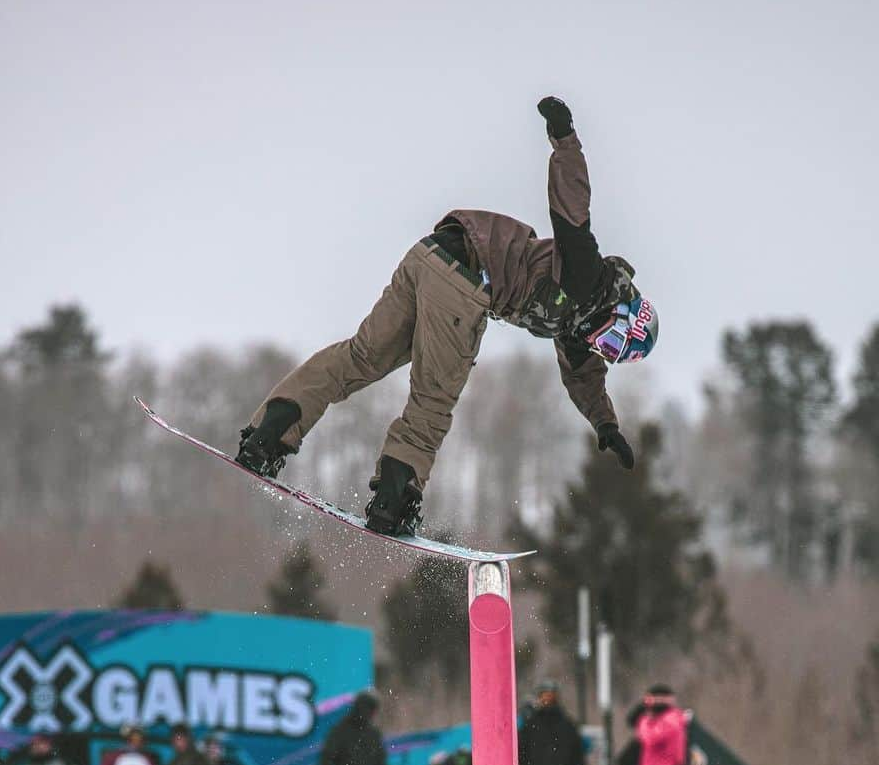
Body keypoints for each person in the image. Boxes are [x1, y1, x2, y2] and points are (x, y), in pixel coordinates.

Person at [235, 97, 659, 535]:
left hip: (430, 256)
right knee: (433, 400)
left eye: (612, 351)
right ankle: (392, 504)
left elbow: (584, 379)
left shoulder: (580, 328)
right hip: (465, 281)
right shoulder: (590, 279)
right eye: (614, 339)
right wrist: (565, 139)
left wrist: (605, 424)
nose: (600, 346)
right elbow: (573, 208)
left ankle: (267, 436)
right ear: (621, 309)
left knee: (361, 357)